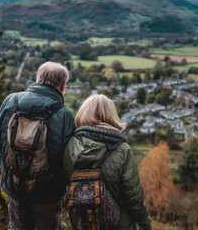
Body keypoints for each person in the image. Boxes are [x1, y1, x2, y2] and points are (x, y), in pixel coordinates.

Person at [0, 62, 75, 230]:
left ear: (37, 79)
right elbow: (68, 160)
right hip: (47, 193)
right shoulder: (65, 114)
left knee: (18, 226)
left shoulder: (11, 100)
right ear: (62, 86)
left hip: (14, 184)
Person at [63, 94, 152, 230]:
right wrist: (145, 224)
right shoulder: (122, 149)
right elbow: (133, 197)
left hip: (83, 222)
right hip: (118, 224)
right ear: (111, 115)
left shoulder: (70, 145)